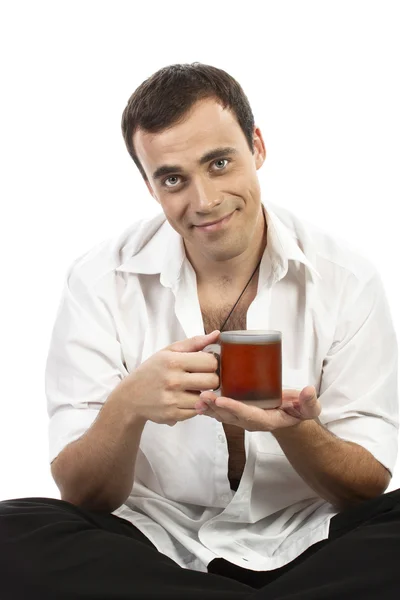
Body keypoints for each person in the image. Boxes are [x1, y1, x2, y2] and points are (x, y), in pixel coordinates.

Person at [0, 62, 399, 600]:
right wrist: (128, 406)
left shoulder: (346, 277)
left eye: (219, 163)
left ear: (256, 147)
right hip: (151, 541)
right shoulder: (98, 280)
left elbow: (366, 489)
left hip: (311, 540)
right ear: (149, 186)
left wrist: (292, 429)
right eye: (173, 179)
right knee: (13, 534)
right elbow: (81, 494)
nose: (205, 200)